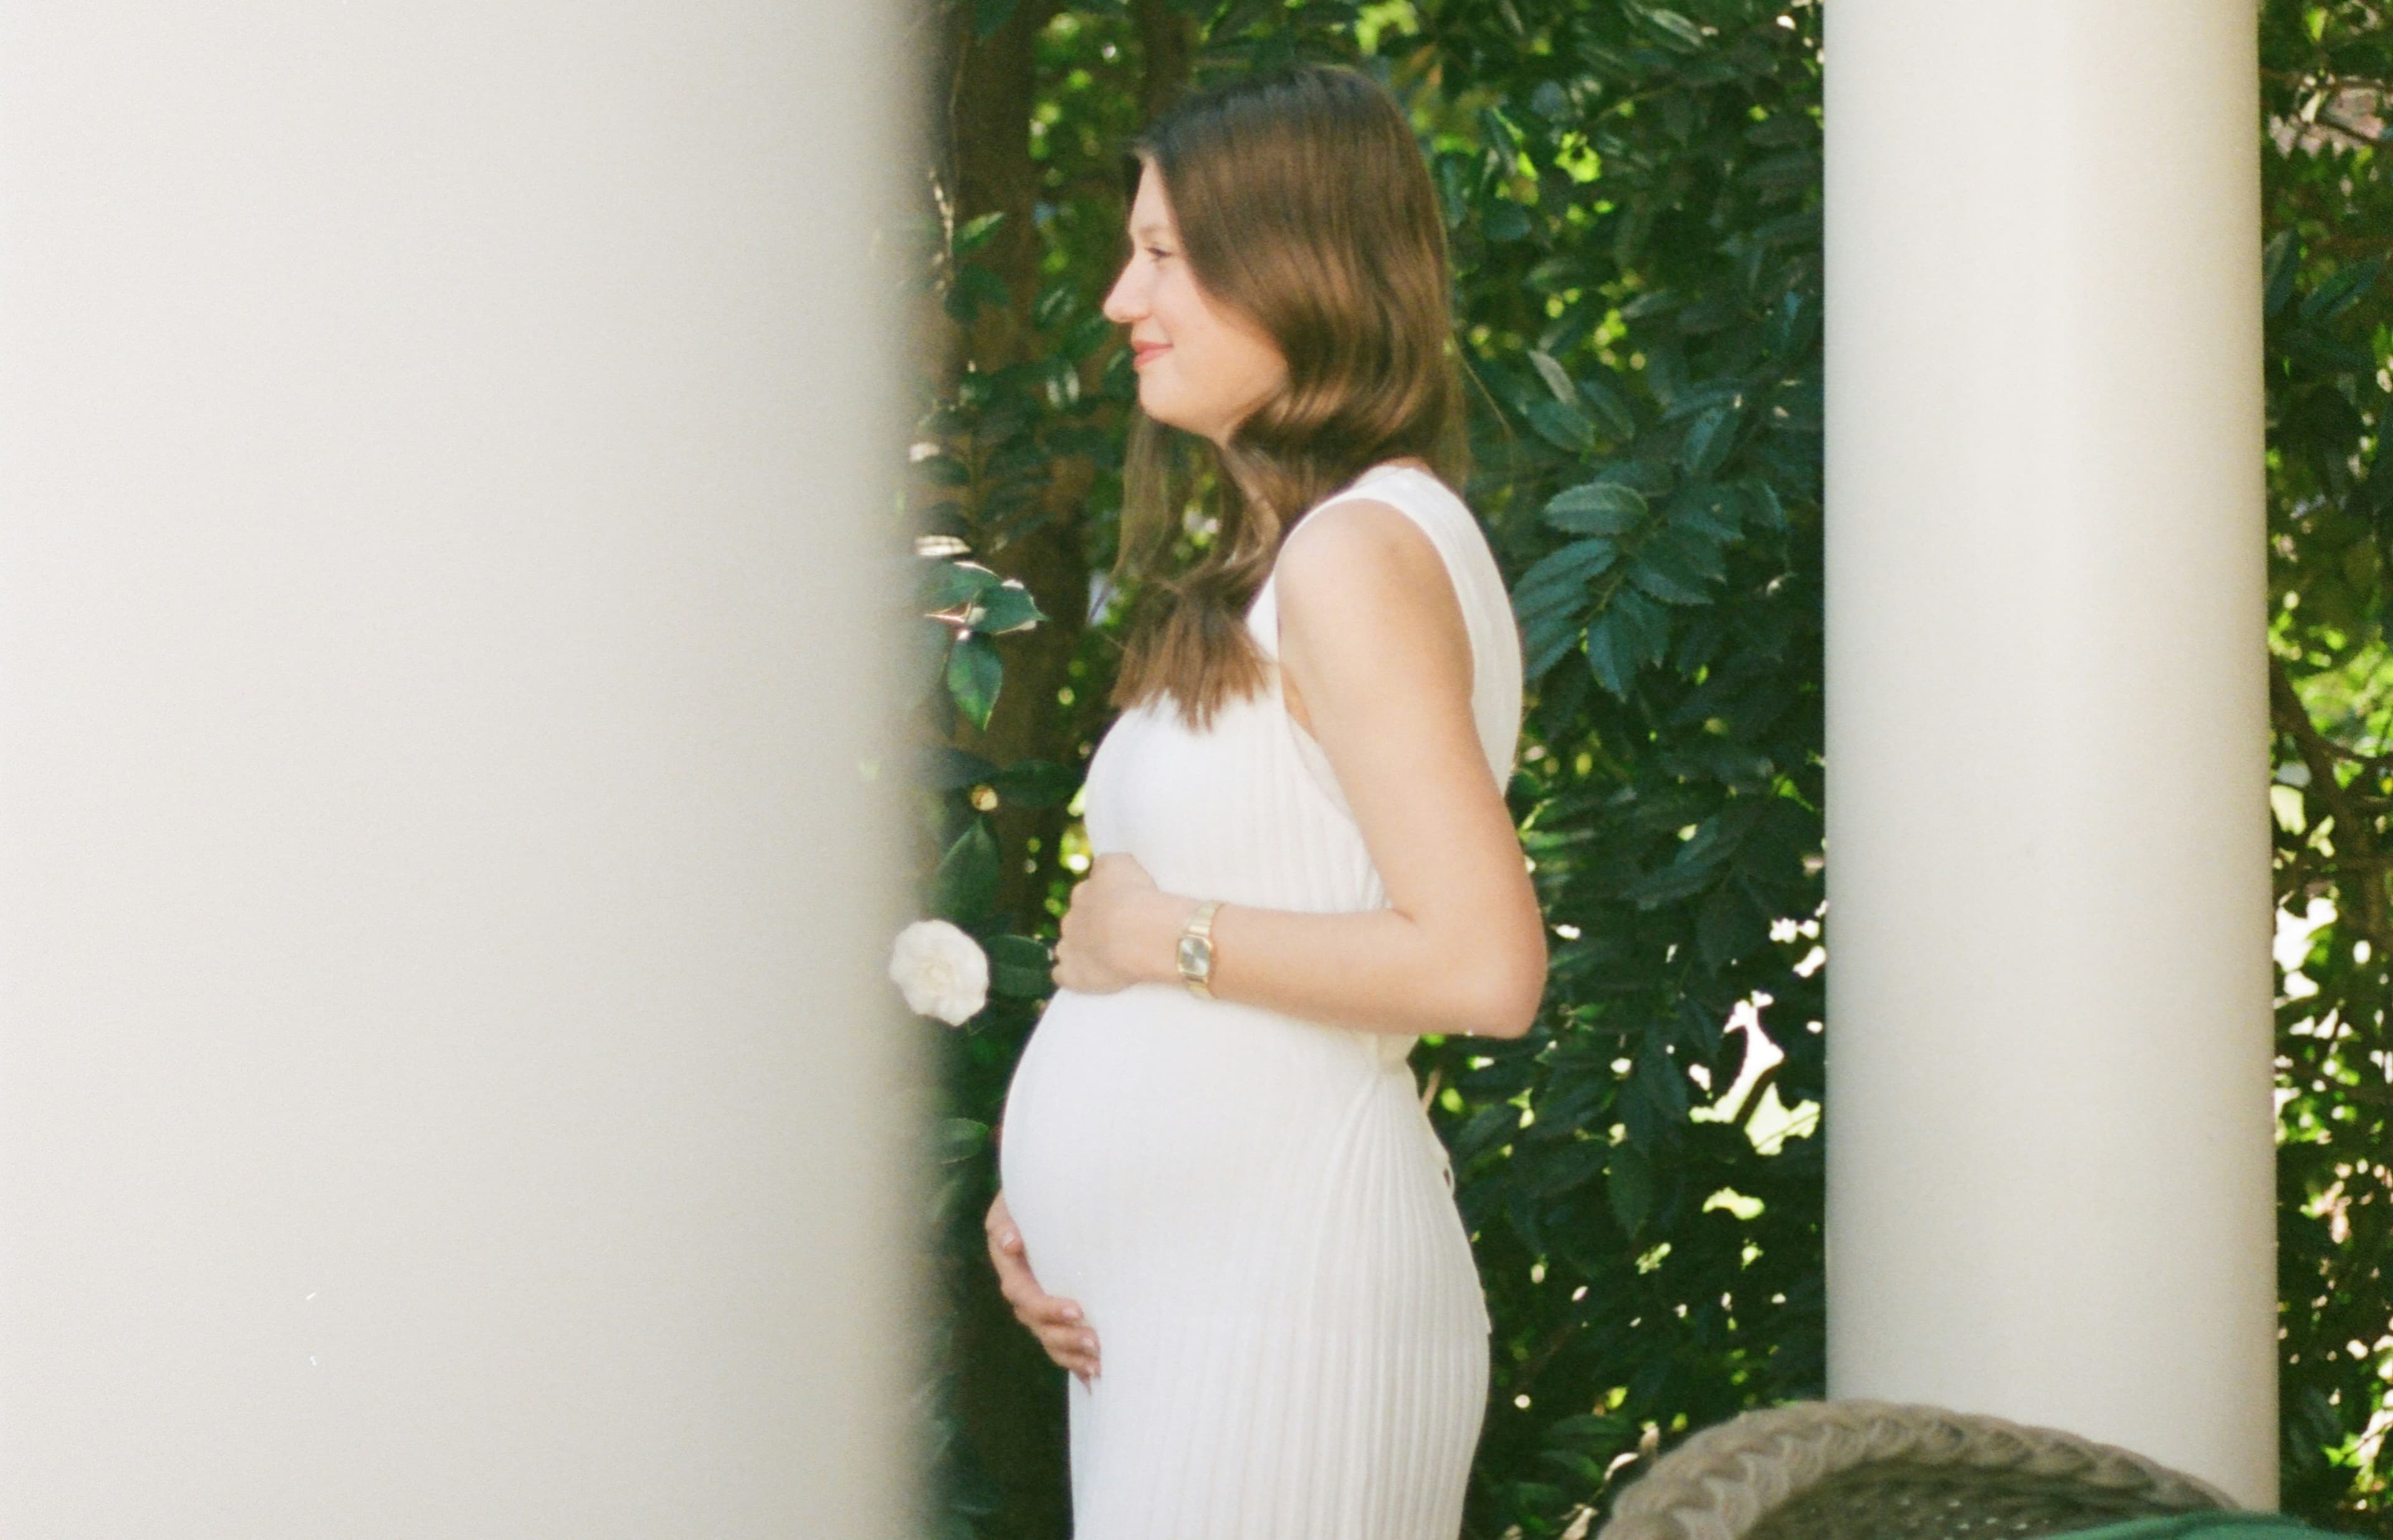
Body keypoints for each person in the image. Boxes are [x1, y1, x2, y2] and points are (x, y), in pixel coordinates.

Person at [983, 64, 1547, 1539]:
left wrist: (1150, 934)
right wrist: (1049, 1192)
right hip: (1174, 1306)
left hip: (1282, 1297)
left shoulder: (1357, 556)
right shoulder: (1293, 562)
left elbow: (1481, 966)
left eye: (1163, 252)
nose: (1120, 297)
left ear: (1292, 263)